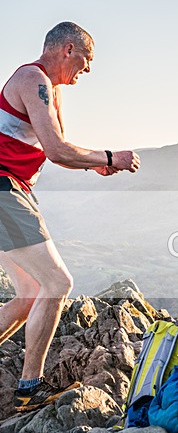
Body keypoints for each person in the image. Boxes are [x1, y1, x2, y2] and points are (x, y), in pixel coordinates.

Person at [0, 22, 141, 411]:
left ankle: (29, 386)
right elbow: (58, 150)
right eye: (87, 59)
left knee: (30, 294)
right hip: (3, 190)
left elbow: (56, 151)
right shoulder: (33, 78)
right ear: (67, 49)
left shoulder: (50, 90)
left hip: (13, 191)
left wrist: (94, 166)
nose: (88, 69)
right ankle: (29, 388)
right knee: (58, 282)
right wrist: (110, 157)